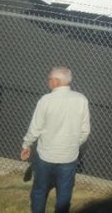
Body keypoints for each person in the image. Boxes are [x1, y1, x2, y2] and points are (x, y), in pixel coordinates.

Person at [20, 67, 91, 213]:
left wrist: (26, 145)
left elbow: (35, 128)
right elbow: (85, 131)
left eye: (49, 79)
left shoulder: (46, 100)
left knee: (39, 190)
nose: (48, 81)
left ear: (56, 81)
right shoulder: (81, 99)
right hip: (69, 157)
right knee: (64, 193)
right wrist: (72, 145)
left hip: (46, 156)